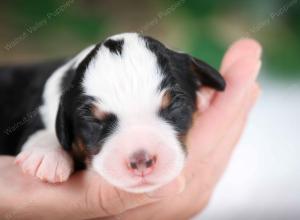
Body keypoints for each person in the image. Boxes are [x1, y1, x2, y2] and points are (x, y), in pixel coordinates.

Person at [0, 38, 261, 220]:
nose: (142, 159)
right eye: (99, 123)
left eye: (171, 110)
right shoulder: (55, 101)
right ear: (64, 123)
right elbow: (41, 135)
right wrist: (49, 145)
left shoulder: (178, 72)